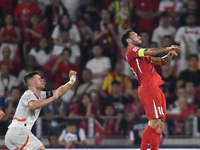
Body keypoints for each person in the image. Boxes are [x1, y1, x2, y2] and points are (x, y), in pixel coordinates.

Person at [120, 29, 182, 150]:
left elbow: (162, 61)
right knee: (154, 123)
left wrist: (170, 54)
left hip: (155, 89)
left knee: (159, 126)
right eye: (135, 35)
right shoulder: (132, 50)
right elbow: (151, 51)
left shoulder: (141, 56)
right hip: (148, 88)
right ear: (128, 40)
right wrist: (168, 48)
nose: (138, 36)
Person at [5, 70, 77, 150]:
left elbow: (58, 92)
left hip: (13, 134)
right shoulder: (28, 93)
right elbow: (33, 105)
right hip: (19, 132)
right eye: (38, 78)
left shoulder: (41, 95)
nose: (42, 80)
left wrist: (71, 81)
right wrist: (52, 98)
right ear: (32, 83)